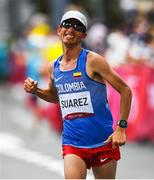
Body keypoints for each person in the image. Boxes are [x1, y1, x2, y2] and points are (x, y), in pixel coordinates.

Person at [24, 10, 132, 179]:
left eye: (77, 26)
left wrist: (121, 127)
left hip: (102, 141)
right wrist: (36, 90)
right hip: (73, 142)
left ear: (83, 35)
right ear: (59, 30)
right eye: (67, 25)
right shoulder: (54, 67)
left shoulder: (93, 61)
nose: (71, 29)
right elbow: (55, 97)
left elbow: (125, 90)